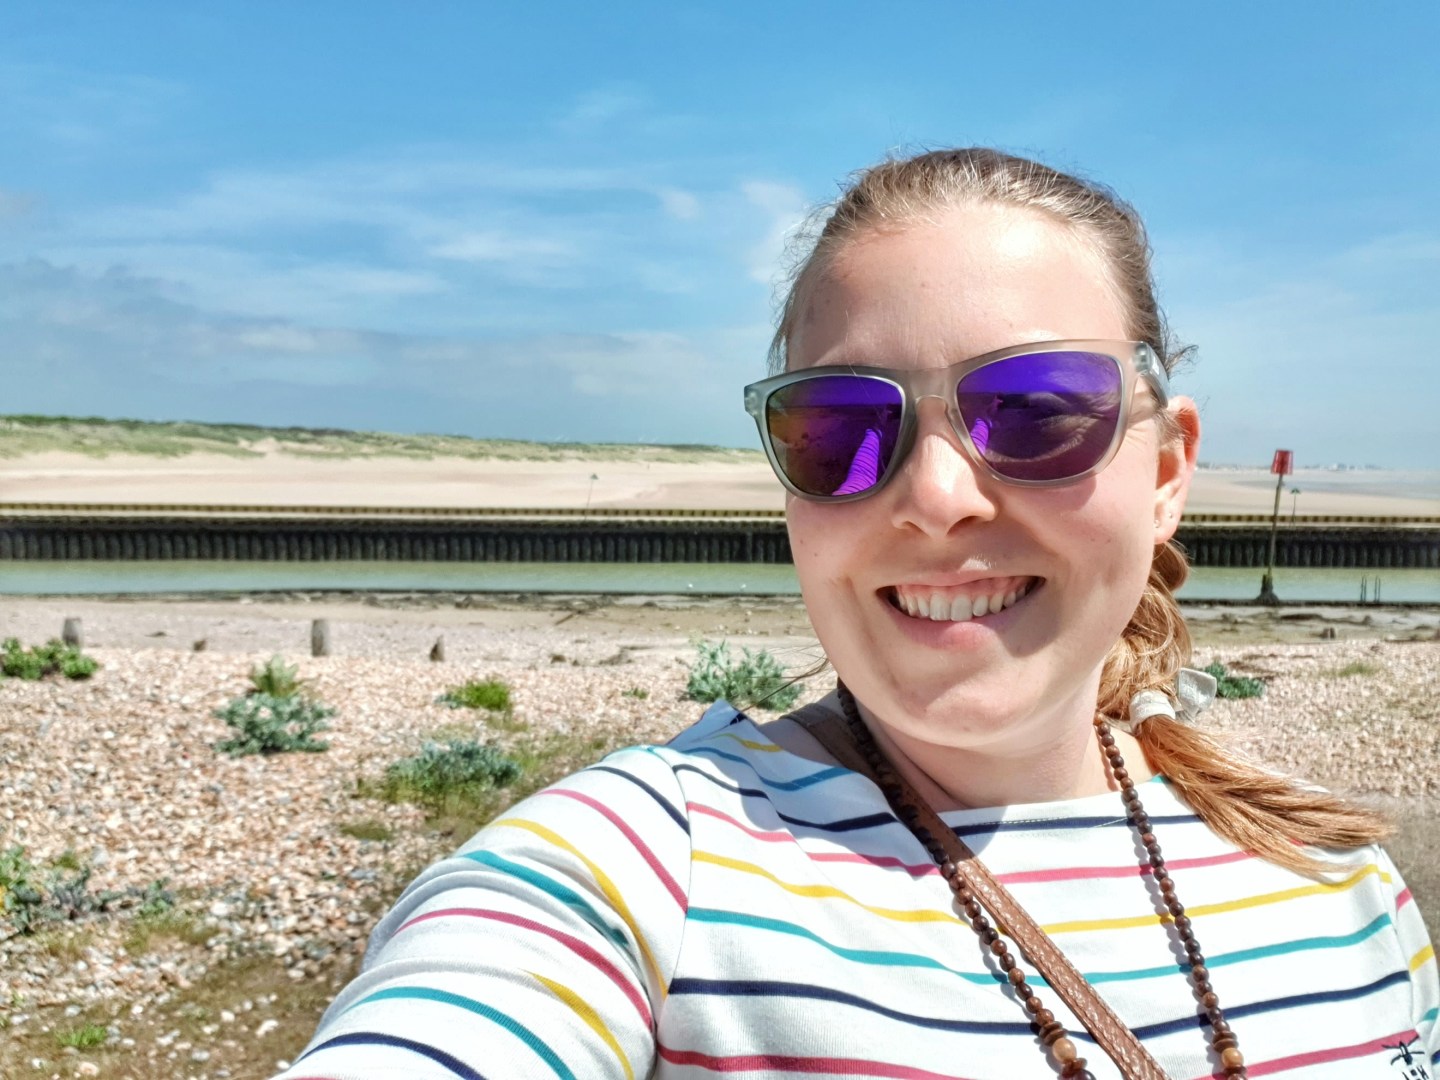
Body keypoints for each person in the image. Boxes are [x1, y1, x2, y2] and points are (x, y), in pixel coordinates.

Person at [274, 149, 1438, 1079]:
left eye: (1035, 413)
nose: (934, 498)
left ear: (1169, 468)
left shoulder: (1342, 889)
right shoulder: (650, 865)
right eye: (840, 427)